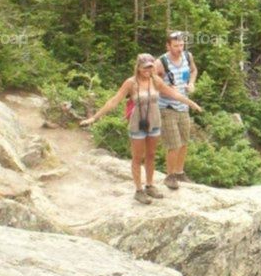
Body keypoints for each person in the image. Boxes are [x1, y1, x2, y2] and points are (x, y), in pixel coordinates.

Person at [80, 53, 203, 205]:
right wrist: (94, 118)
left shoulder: (156, 80)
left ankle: (150, 185)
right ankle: (139, 190)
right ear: (138, 68)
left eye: (150, 67)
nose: (148, 70)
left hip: (154, 122)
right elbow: (114, 101)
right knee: (138, 157)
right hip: (138, 123)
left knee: (151, 155)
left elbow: (173, 94)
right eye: (145, 67)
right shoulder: (131, 83)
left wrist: (191, 104)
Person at [155, 30, 198, 190]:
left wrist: (192, 83)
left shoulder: (187, 56)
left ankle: (179, 172)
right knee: (174, 144)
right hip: (167, 107)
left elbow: (193, 70)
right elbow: (152, 81)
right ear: (168, 45)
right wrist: (165, 87)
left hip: (183, 106)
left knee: (184, 141)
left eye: (181, 44)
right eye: (175, 45)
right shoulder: (161, 62)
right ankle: (170, 176)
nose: (179, 48)